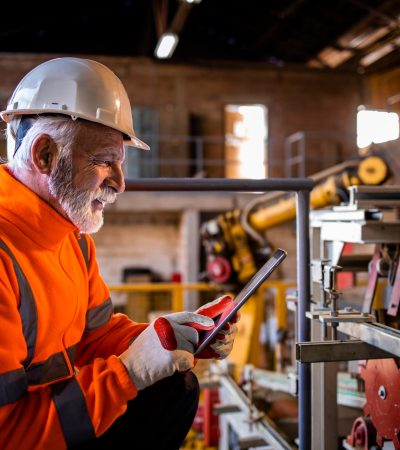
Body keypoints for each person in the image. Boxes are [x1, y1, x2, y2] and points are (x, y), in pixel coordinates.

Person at [0, 57, 239, 450]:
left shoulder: (72, 239)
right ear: (44, 155)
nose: (120, 183)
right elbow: (8, 433)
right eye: (104, 161)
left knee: (174, 387)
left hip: (58, 424)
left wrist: (164, 336)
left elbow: (95, 338)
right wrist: (129, 372)